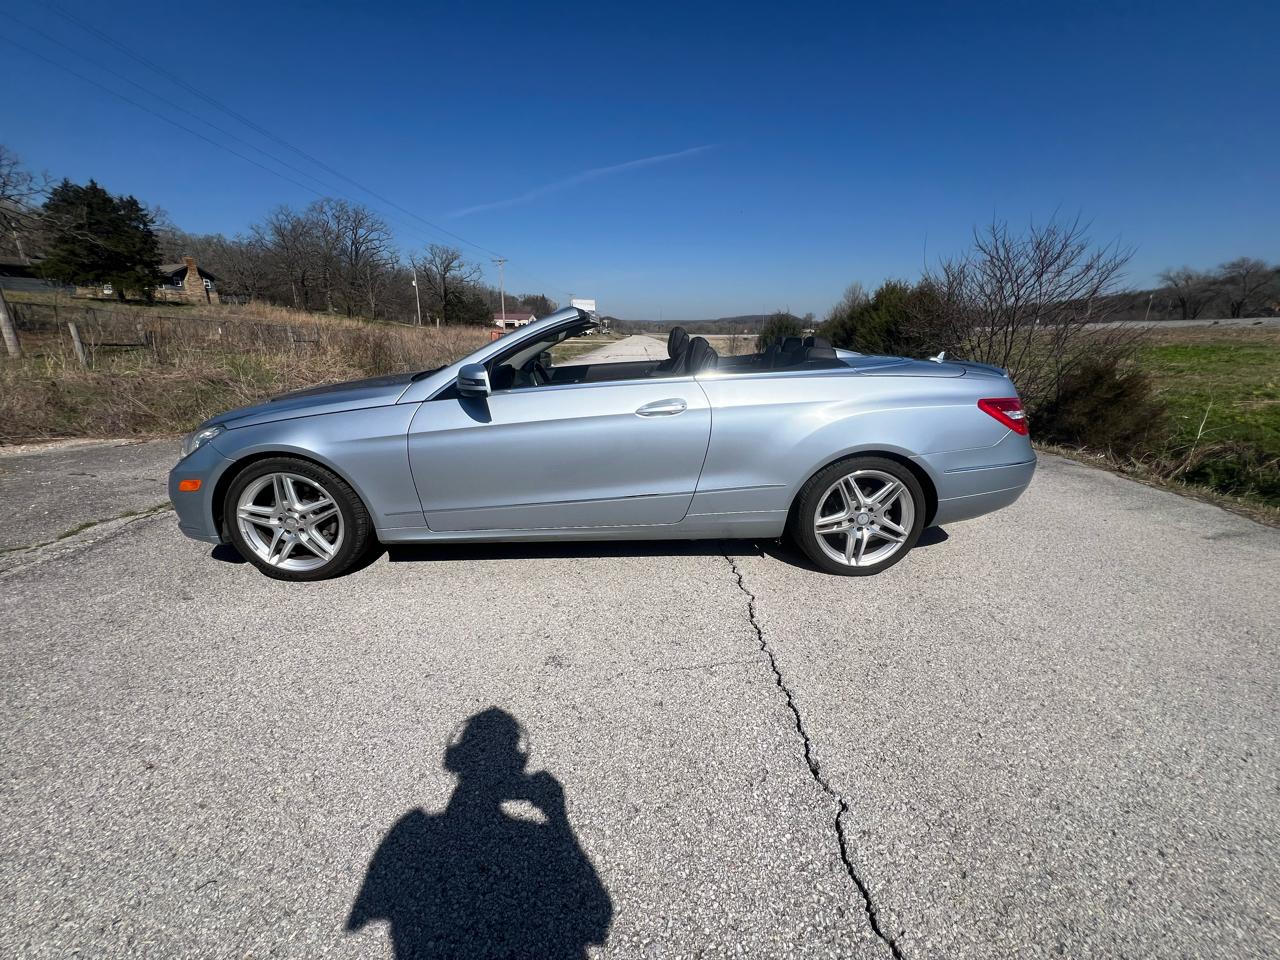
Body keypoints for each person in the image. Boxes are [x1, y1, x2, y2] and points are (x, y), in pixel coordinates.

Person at [347, 708, 612, 959]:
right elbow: (596, 918)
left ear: (454, 758)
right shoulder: (538, 836)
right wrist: (558, 817)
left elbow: (365, 914)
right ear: (518, 761)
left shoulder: (411, 831)